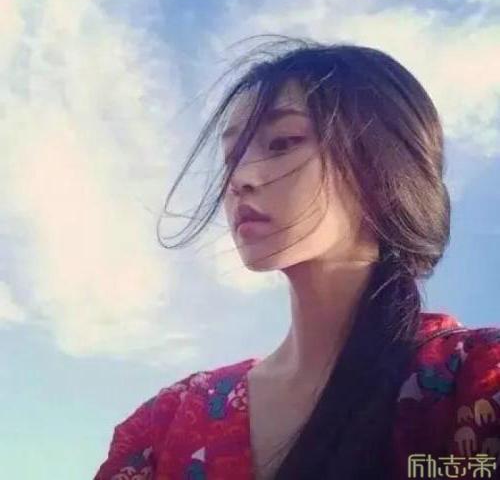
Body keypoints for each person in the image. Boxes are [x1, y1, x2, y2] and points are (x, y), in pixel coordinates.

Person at [93, 35, 500, 480]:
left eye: (282, 142)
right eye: (231, 158)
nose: (240, 179)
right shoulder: (168, 424)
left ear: (382, 164)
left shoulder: (476, 381)